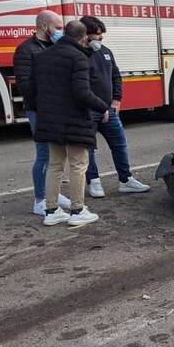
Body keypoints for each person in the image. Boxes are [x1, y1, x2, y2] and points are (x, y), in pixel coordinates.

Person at [27, 20, 109, 226]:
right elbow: (82, 93)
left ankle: (51, 211)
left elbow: (31, 90)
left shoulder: (42, 57)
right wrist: (102, 107)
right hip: (73, 121)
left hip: (49, 120)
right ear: (83, 38)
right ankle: (77, 211)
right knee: (78, 165)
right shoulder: (79, 58)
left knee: (54, 165)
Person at [79, 16, 150, 198]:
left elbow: (116, 77)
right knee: (88, 148)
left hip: (108, 110)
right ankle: (93, 182)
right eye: (97, 38)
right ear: (85, 36)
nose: (100, 41)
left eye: (102, 37)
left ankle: (126, 180)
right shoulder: (78, 55)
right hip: (88, 110)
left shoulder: (106, 52)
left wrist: (116, 99)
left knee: (119, 143)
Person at [13, 10, 71, 216]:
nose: (60, 32)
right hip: (39, 110)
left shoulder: (58, 47)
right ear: (44, 26)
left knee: (58, 155)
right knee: (44, 154)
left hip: (58, 109)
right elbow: (25, 85)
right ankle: (40, 199)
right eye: (57, 27)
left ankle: (52, 193)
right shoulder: (26, 50)